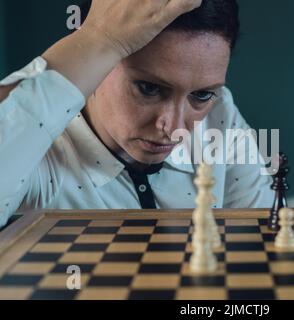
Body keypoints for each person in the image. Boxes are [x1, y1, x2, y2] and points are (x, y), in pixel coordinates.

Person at [0, 0, 274, 228]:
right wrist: (96, 38)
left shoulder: (220, 113)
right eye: (149, 88)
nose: (173, 127)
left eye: (201, 95)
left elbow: (261, 237)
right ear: (97, 62)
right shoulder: (43, 145)